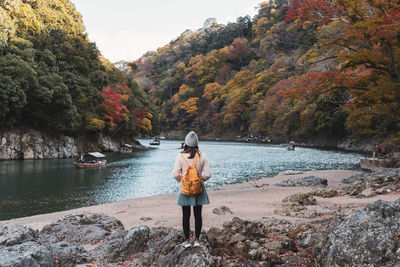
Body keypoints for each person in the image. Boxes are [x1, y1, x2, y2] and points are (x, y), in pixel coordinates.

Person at [173, 131, 211, 248]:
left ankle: (187, 240)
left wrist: (182, 180)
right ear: (197, 144)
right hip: (198, 188)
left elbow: (175, 174)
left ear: (185, 144)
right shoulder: (202, 156)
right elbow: (208, 174)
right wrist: (200, 179)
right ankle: (197, 240)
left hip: (185, 189)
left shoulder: (180, 156)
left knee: (186, 215)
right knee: (198, 215)